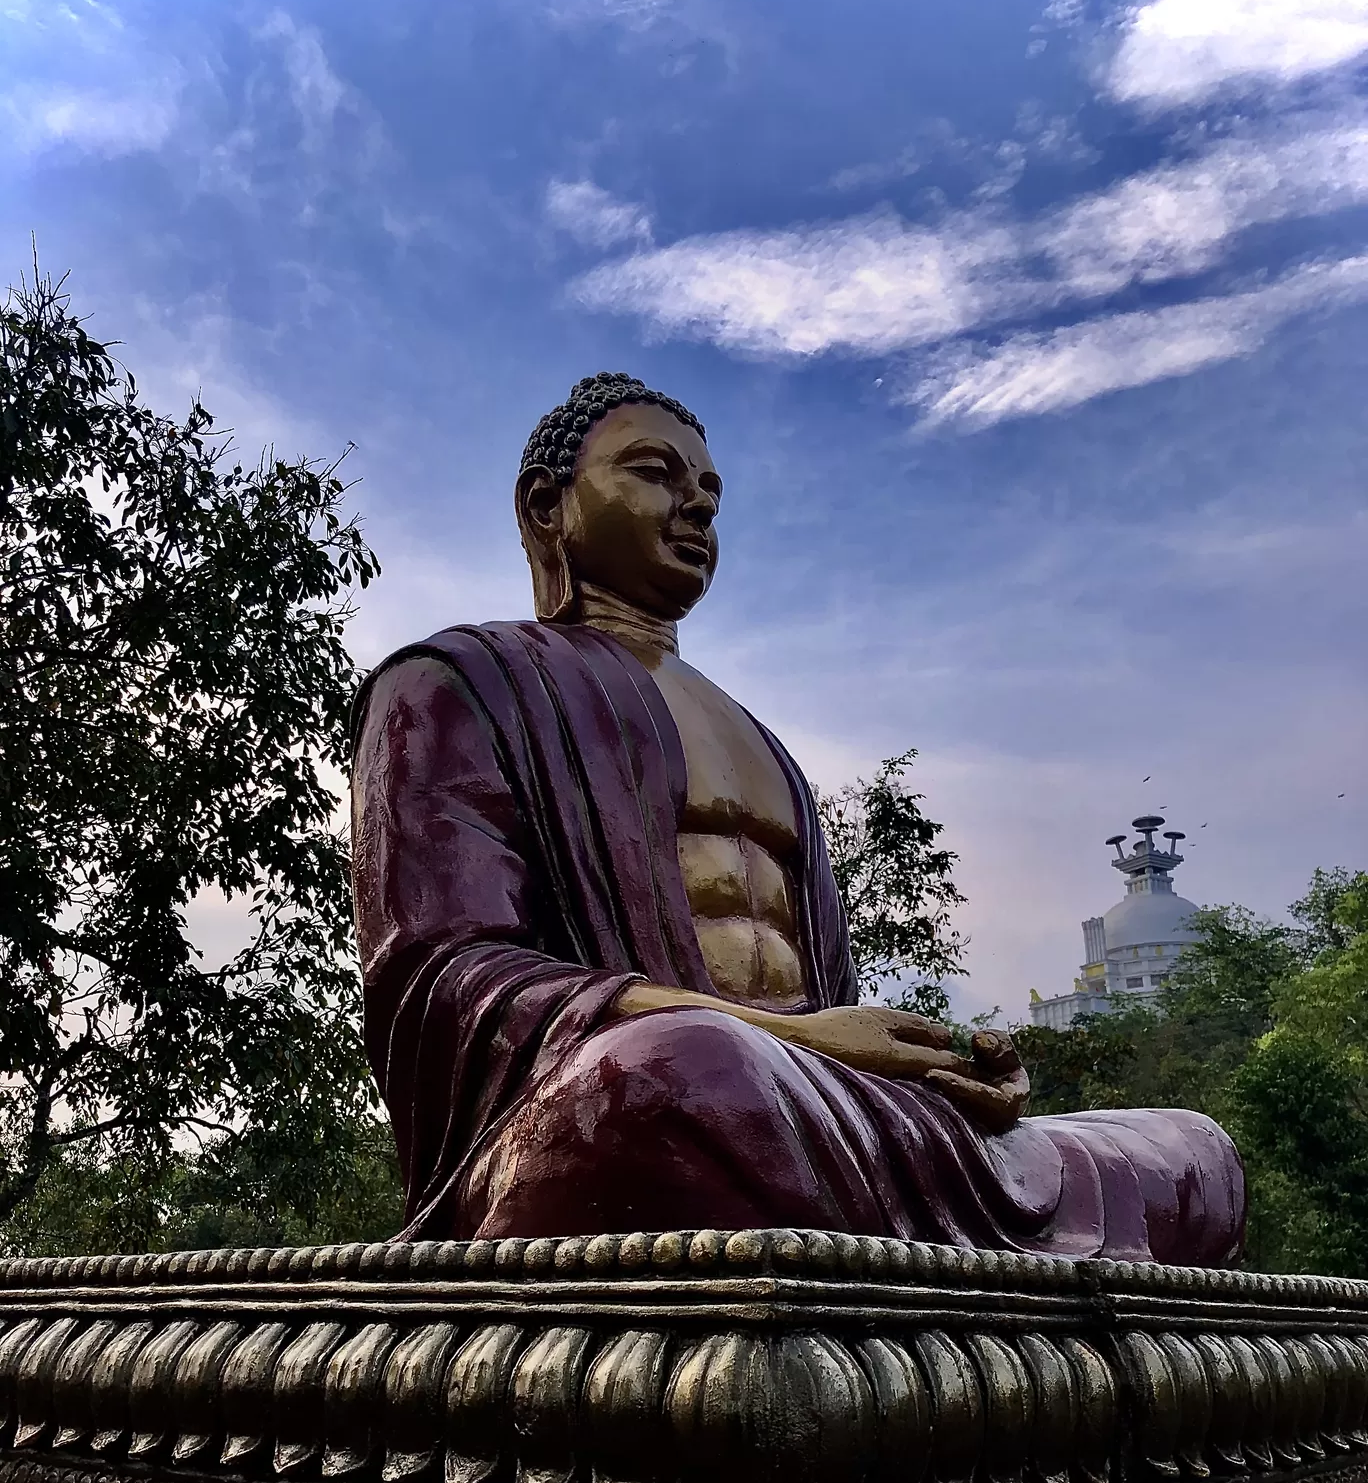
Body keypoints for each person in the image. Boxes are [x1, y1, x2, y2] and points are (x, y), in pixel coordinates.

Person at [351, 373, 1244, 1262]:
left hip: (822, 1111)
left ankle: (922, 1228)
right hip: (640, 1099)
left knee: (1193, 1153)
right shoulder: (455, 686)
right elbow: (442, 973)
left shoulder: (763, 744)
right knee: (678, 1074)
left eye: (710, 494)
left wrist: (936, 1066)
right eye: (657, 474)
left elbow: (833, 1008)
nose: (696, 510)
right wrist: (781, 1039)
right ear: (547, 506)